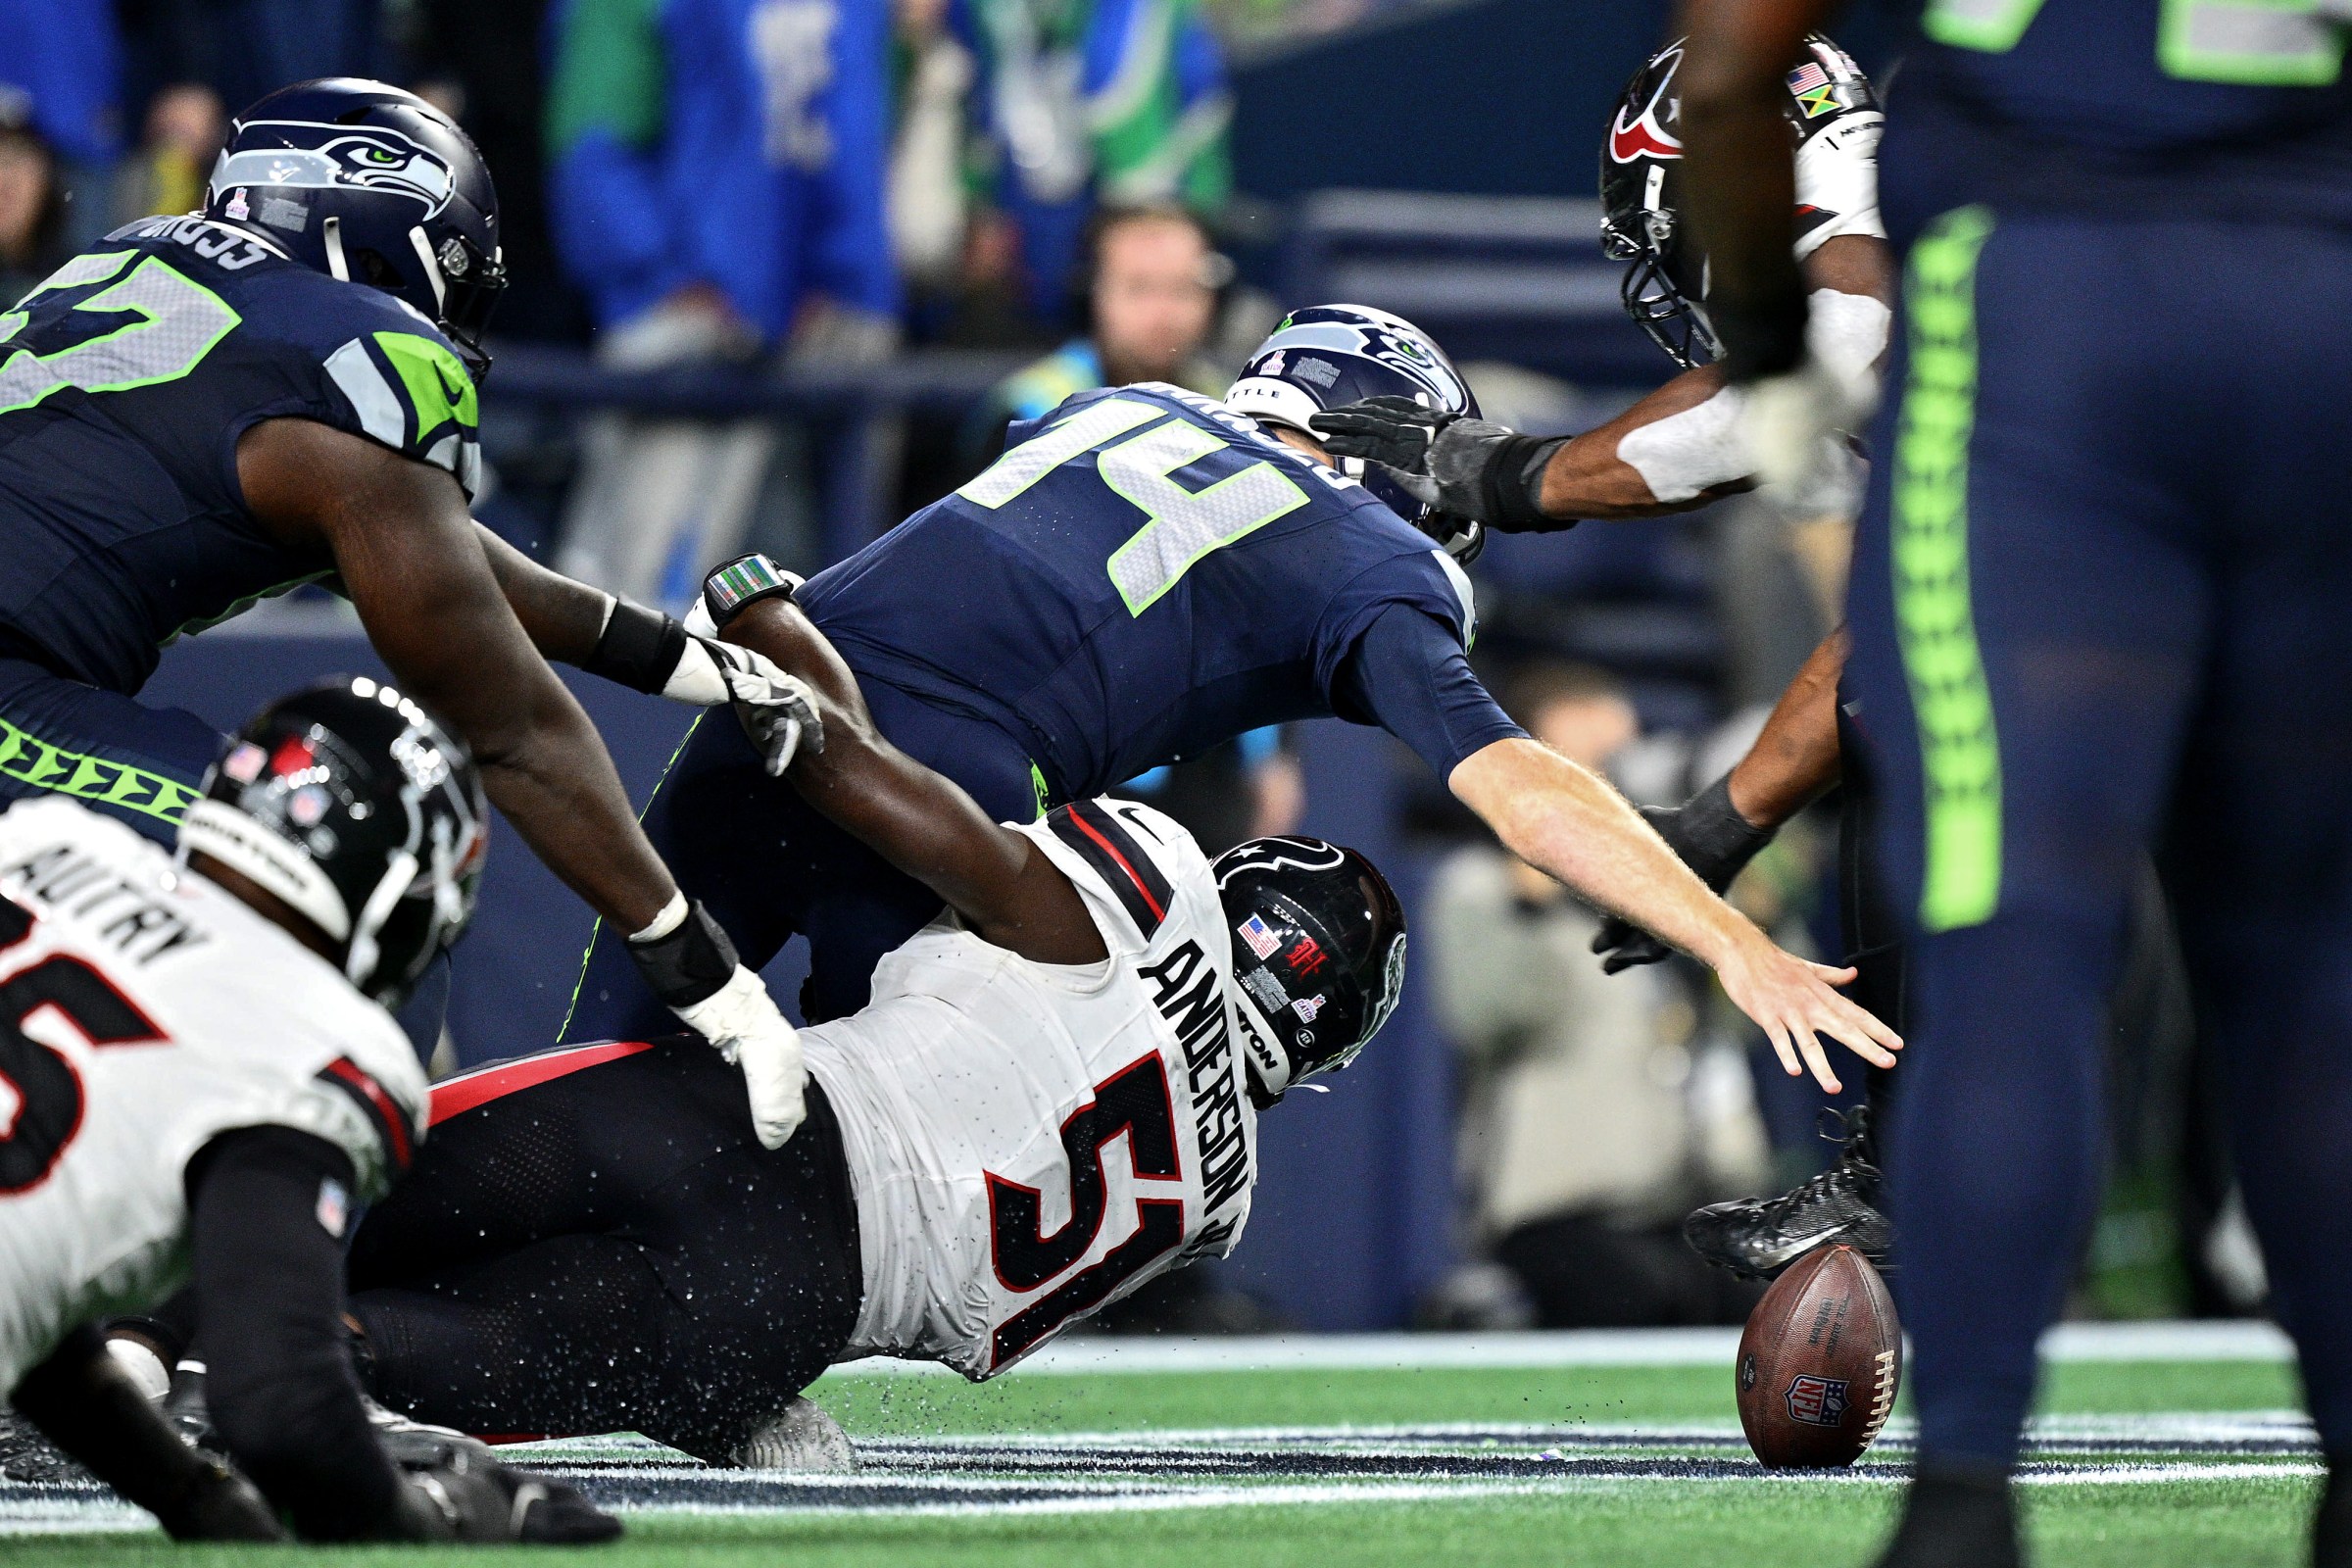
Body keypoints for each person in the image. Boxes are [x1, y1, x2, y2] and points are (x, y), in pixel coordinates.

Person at [1668, 2, 2352, 1565]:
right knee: (2312, 966)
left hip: (2048, 317)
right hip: (2323, 302)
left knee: (2014, 940)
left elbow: (1725, 67)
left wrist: (1769, 355)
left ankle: (1965, 1501)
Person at [562, 303, 1901, 1098]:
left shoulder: (1118, 402)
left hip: (780, 673)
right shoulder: (1369, 554)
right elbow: (1521, 787)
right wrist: (1733, 938)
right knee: (879, 1135)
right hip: (951, 772)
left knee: (594, 1064)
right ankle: (712, 1374)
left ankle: (398, 1304)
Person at [345, 597, 1399, 1463]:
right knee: (344, 1352)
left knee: (310, 1207)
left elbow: (888, 796)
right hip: (786, 1316)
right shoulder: (1221, 1201)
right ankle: (724, 1412)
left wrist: (775, 626)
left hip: (745, 1125)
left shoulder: (1151, 885)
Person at [0, 77, 815, 1142]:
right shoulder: (359, 363)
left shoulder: (141, 257)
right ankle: (276, 1270)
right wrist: (707, 977)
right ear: (387, 232)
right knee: (356, 881)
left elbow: (453, 569)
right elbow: (512, 733)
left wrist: (681, 658)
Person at [1309, 37, 1901, 1280]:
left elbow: (1830, 353)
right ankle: (1901, 1173)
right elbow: (1901, 634)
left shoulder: (1890, 251)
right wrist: (1726, 823)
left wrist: (1516, 472)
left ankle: (1906, 1174)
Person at [0, 678, 614, 1543]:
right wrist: (448, 1517)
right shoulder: (306, 1047)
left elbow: (28, 1296)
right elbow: (280, 1409)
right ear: (397, 892)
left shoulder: (45, 840)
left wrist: (194, 1501)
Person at [1426, 662, 1765, 1328]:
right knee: (1624, 1296)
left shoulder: (1663, 888)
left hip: (1690, 1200)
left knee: (1767, 1308)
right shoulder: (1479, 885)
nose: (1613, 781)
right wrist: (1538, 886)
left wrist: (1748, 920)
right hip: (1556, 1209)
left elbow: (1744, 1024)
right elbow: (1483, 1016)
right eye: (1588, 764)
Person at [956, 203, 1230, 473]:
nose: (1163, 311)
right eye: (1139, 288)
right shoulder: (1028, 415)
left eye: (1182, 288)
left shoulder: (1230, 408)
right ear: (1093, 293)